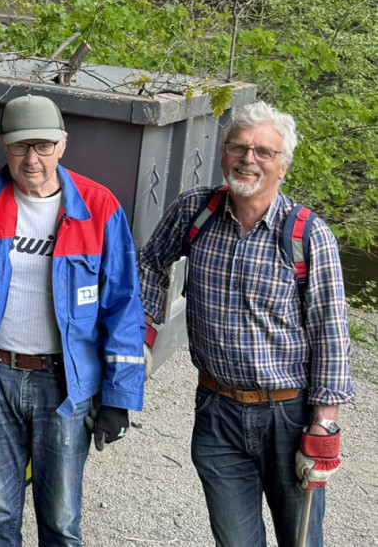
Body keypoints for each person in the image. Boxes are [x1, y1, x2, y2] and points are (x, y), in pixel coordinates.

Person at [0, 94, 145, 547]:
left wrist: (119, 397)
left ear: (62, 145)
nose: (32, 158)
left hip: (64, 385)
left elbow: (122, 305)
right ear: (4, 146)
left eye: (42, 146)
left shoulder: (98, 208)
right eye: (21, 147)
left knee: (60, 521)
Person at [138, 102, 351, 547]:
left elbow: (331, 332)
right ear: (223, 155)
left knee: (301, 541)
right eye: (238, 147)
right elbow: (152, 264)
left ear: (283, 166)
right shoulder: (195, 211)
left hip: (288, 418)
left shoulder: (309, 236)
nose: (248, 159)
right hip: (216, 413)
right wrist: (143, 333)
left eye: (263, 152)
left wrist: (325, 423)